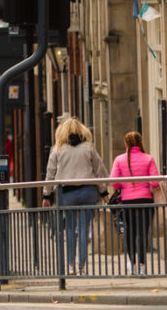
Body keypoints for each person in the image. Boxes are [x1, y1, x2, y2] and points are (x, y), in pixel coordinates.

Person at [41, 118, 109, 276]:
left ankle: (71, 265)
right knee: (84, 229)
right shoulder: (88, 148)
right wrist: (104, 192)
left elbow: (50, 174)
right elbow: (100, 171)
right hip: (88, 191)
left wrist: (47, 195)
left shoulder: (57, 149)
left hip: (67, 194)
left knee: (70, 229)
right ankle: (82, 266)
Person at [110, 131, 160, 276]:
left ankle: (131, 264)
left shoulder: (119, 160)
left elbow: (113, 181)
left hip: (127, 201)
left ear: (126, 144)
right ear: (140, 142)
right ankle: (143, 266)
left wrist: (123, 187)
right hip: (145, 200)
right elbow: (155, 182)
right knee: (143, 234)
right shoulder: (148, 158)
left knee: (130, 233)